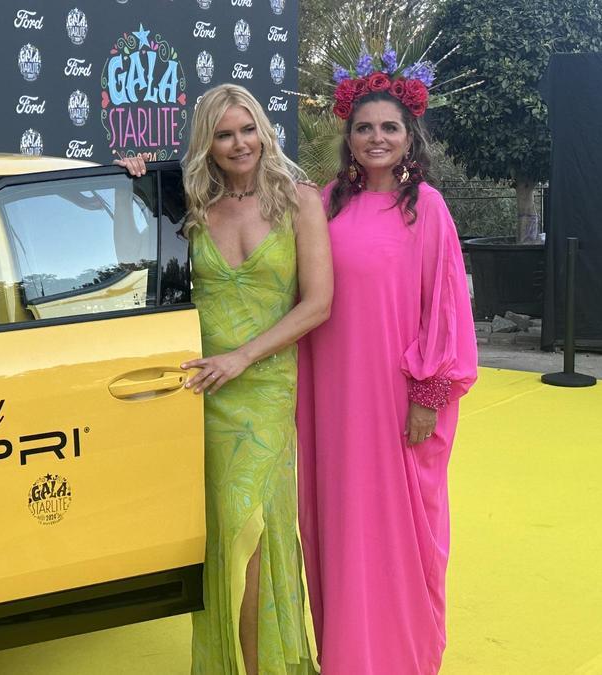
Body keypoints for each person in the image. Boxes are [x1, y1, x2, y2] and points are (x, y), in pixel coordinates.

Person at [117, 82, 331, 675]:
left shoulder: (298, 201)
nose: (239, 144)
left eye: (247, 129)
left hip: (264, 391)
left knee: (256, 533)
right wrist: (126, 193)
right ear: (206, 144)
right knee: (221, 542)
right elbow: (132, 264)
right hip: (201, 395)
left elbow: (317, 304)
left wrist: (243, 358)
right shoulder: (189, 205)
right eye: (223, 134)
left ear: (263, 130)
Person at [296, 75, 479, 673]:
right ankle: (347, 654)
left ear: (409, 138)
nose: (377, 138)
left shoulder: (427, 208)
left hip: (397, 395)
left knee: (398, 526)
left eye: (389, 128)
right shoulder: (322, 203)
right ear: (348, 137)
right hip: (330, 395)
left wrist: (428, 393)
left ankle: (401, 657)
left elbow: (446, 304)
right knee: (341, 521)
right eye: (365, 127)